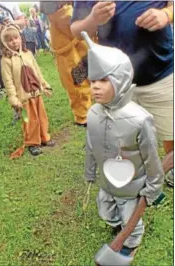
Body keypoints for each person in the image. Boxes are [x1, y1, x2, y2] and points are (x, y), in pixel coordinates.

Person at [71, 1, 174, 184]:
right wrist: (92, 19)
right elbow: (76, 31)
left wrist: (167, 14)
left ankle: (171, 170)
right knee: (123, 140)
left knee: (171, 135)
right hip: (116, 85)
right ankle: (132, 178)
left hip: (161, 74)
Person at [83, 32, 164, 261]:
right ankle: (116, 223)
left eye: (103, 81)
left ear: (119, 79)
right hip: (106, 181)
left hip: (131, 184)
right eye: (92, 82)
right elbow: (90, 146)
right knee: (106, 209)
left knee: (131, 217)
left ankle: (131, 240)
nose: (95, 88)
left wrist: (152, 188)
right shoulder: (92, 114)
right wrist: (90, 172)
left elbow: (152, 158)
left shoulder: (140, 119)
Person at [0, 24, 55, 156]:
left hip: (36, 92)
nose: (14, 42)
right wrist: (13, 98)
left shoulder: (28, 53)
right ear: (4, 43)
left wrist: (44, 85)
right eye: (10, 40)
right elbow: (8, 81)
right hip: (23, 97)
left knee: (42, 117)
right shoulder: (6, 60)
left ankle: (44, 137)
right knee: (30, 120)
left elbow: (37, 71)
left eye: (16, 38)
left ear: (20, 38)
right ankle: (32, 143)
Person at [40, 2, 91, 126]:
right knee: (78, 85)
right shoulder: (64, 14)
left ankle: (84, 113)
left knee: (78, 84)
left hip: (72, 55)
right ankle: (82, 116)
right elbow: (80, 30)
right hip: (71, 57)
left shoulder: (57, 15)